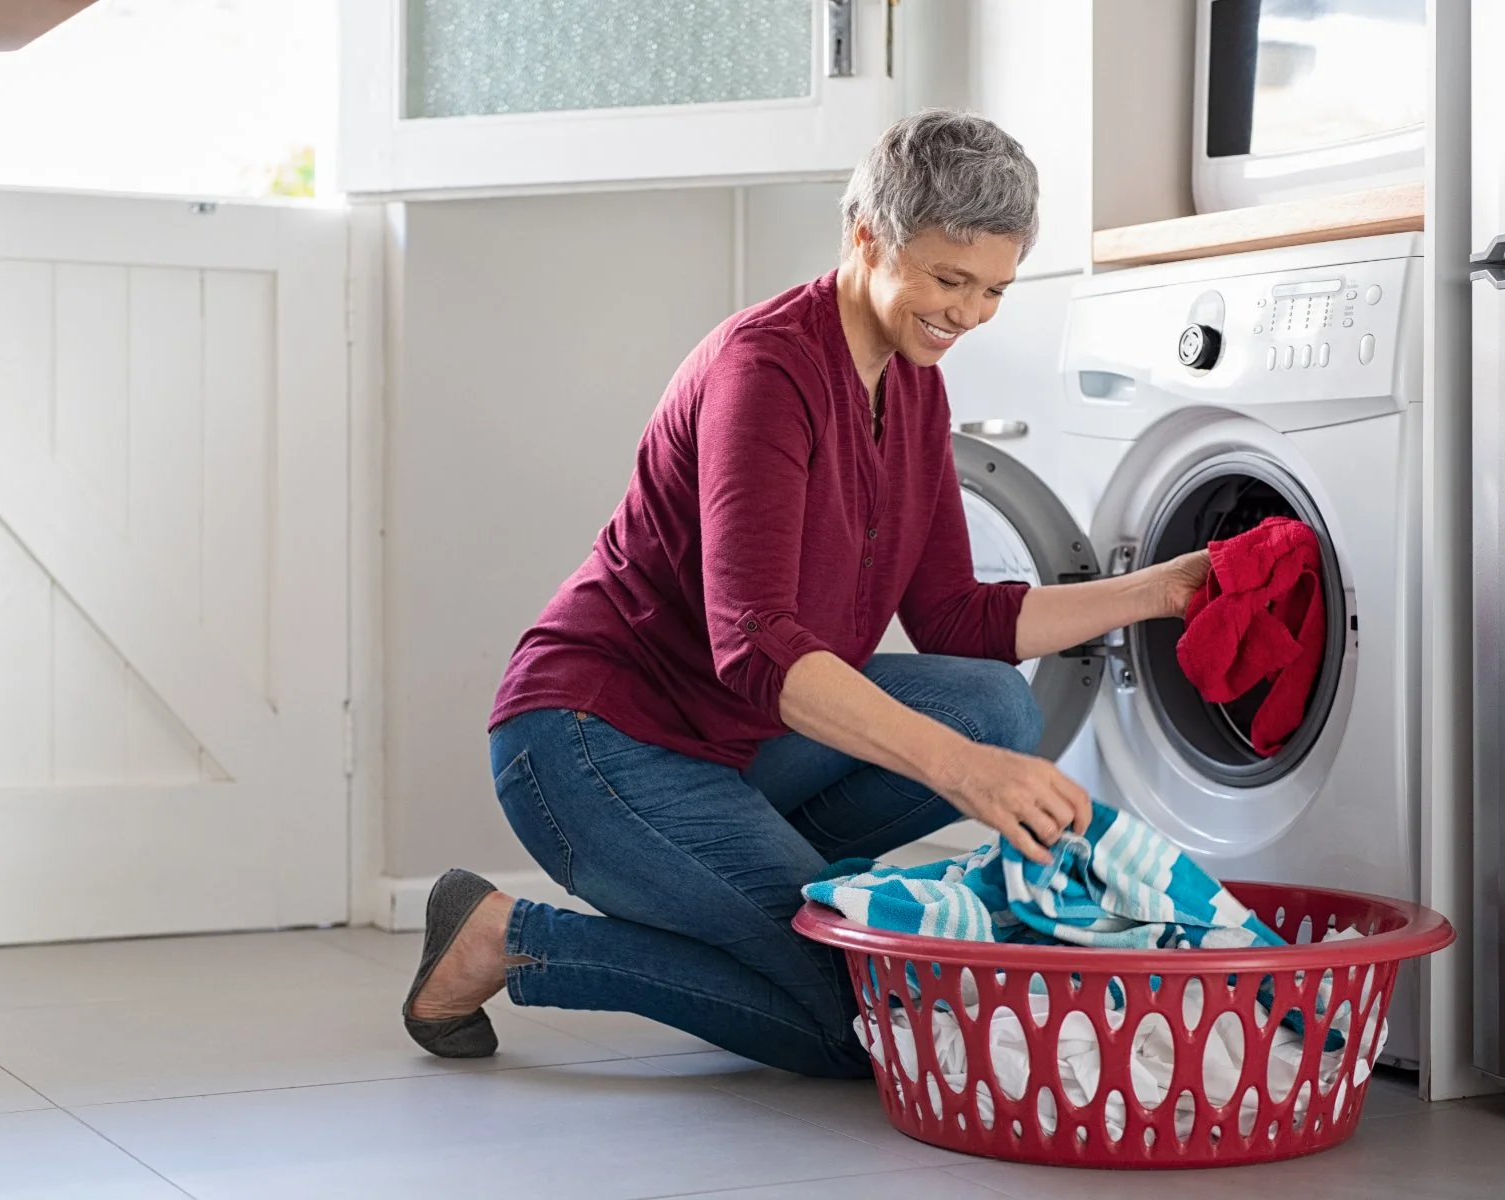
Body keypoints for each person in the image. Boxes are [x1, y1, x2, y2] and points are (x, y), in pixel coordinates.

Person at [400, 110, 1210, 1078]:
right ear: (867, 237)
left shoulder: (913, 384)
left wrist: (1162, 591)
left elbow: (955, 616)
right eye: (949, 280)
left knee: (993, 705)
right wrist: (960, 773)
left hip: (738, 744)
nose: (969, 313)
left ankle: (749, 897)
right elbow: (756, 643)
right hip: (596, 742)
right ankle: (510, 937)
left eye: (995, 288)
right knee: (869, 1028)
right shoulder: (764, 370)